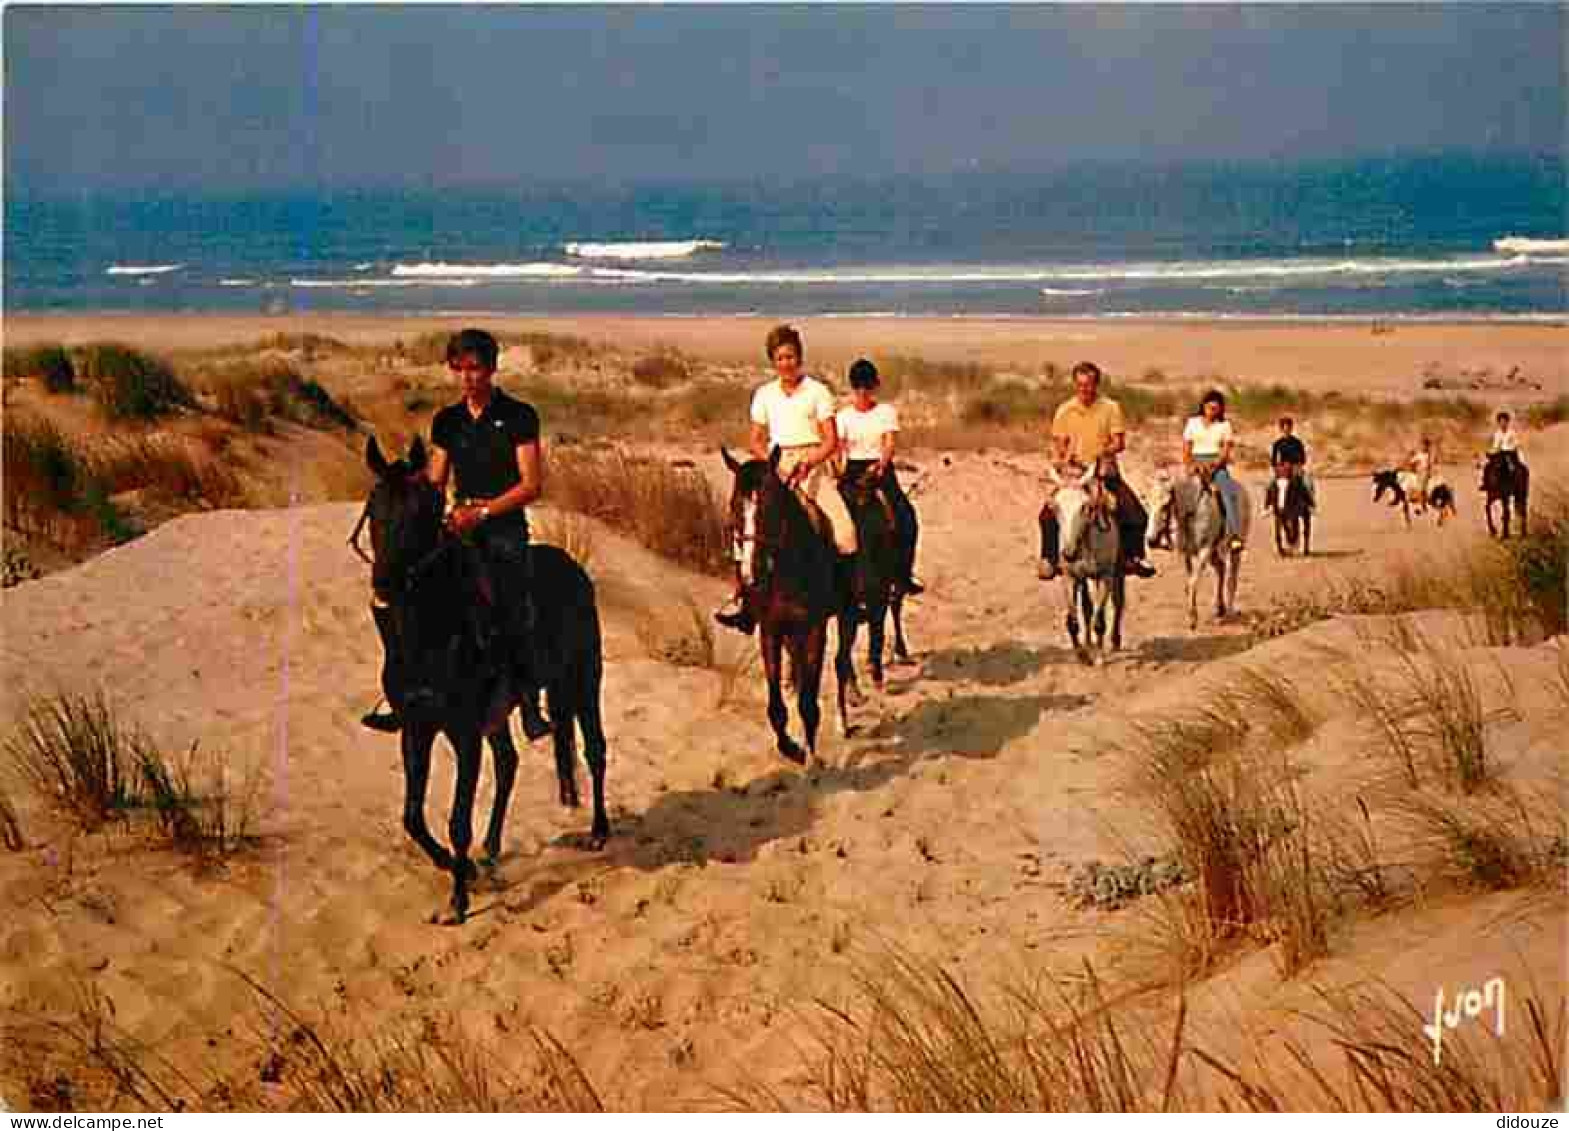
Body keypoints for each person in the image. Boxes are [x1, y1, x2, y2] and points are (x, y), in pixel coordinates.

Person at [361, 328, 552, 740]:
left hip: (503, 528)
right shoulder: (447, 421)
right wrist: (405, 487)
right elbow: (436, 481)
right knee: (397, 596)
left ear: (492, 369)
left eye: (476, 368)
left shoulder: (519, 416)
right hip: (459, 525)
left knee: (512, 601)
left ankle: (529, 700)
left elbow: (531, 484)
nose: (468, 377)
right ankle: (401, 691)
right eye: (460, 369)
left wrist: (482, 512)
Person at [715, 324, 859, 633]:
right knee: (749, 533)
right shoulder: (764, 395)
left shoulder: (818, 392)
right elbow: (755, 439)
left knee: (846, 533)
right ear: (773, 361)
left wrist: (809, 462)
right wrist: (772, 466)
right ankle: (744, 602)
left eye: (791, 356)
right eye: (780, 358)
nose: (786, 363)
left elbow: (830, 440)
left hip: (812, 464)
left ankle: (847, 599)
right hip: (775, 466)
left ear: (800, 357)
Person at [1037, 361, 1157, 581]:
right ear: (1075, 384)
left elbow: (1119, 442)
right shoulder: (1065, 410)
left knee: (1136, 514)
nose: (1085, 389)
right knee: (1047, 515)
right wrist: (1065, 458)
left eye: (1089, 384)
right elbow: (1058, 442)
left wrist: (1101, 452)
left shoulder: (1110, 408)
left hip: (1103, 472)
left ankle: (1133, 556)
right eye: (1081, 384)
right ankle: (1050, 559)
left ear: (1096, 384)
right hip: (1073, 475)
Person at [834, 358, 922, 595]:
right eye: (858, 387)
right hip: (852, 470)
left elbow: (889, 443)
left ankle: (903, 574)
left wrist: (881, 465)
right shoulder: (843, 417)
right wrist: (839, 469)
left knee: (905, 515)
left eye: (867, 386)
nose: (863, 392)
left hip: (879, 470)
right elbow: (839, 448)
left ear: (874, 387)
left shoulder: (886, 412)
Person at [1181, 389, 1246, 552]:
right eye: (1210, 407)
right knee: (1173, 493)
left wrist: (1213, 465)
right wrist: (1192, 465)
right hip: (1195, 463)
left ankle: (1234, 535)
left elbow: (1225, 451)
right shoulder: (1192, 423)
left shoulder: (1224, 426)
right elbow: (1186, 448)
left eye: (1216, 409)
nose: (1212, 411)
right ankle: (1169, 533)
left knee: (1229, 494)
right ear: (1203, 406)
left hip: (1216, 466)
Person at [1264, 415, 1315, 512]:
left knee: (1307, 483)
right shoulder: (1277, 444)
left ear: (1291, 428)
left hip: (1295, 468)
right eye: (1284, 428)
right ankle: (1268, 506)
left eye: (1288, 428)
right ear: (1281, 429)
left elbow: (1303, 458)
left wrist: (1297, 465)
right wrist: (1277, 468)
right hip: (1282, 469)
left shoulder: (1297, 442)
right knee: (1270, 484)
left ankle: (1310, 506)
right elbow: (1273, 460)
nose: (1286, 430)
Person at [1489, 410, 1525, 476]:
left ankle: (1523, 480)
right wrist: (1494, 450)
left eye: (1504, 421)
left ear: (1507, 422)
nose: (1502, 423)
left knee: (1522, 464)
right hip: (1501, 453)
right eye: (1501, 422)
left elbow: (1516, 442)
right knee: (1489, 464)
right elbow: (1495, 445)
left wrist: (1512, 447)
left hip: (1511, 452)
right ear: (1498, 423)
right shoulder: (1497, 434)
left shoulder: (1512, 432)